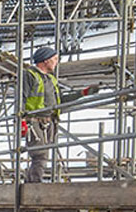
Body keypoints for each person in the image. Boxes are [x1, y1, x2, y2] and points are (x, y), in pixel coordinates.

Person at [21, 47, 100, 183]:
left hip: (49, 121)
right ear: (46, 61)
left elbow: (60, 101)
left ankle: (32, 182)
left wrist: (82, 93)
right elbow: (21, 98)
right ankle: (34, 184)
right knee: (40, 154)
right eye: (55, 59)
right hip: (34, 121)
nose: (57, 62)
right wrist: (21, 120)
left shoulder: (51, 79)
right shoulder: (30, 75)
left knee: (43, 154)